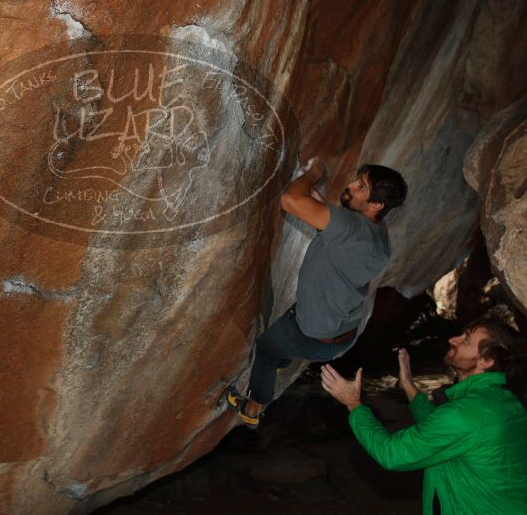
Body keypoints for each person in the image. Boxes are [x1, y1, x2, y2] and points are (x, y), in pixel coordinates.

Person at [225, 158, 408, 427]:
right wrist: (313, 193)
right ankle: (283, 358)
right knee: (284, 341)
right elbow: (327, 220)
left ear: (376, 205)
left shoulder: (349, 226)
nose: (351, 185)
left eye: (361, 186)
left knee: (266, 350)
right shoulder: (377, 232)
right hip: (342, 333)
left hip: (311, 333)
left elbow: (289, 200)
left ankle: (251, 411)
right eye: (357, 179)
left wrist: (314, 173)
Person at [321, 318, 527, 515]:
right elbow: (441, 430)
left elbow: (392, 453)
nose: (452, 339)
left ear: (487, 360)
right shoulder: (505, 401)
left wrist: (353, 404)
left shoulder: (466, 413)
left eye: (465, 340)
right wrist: (409, 386)